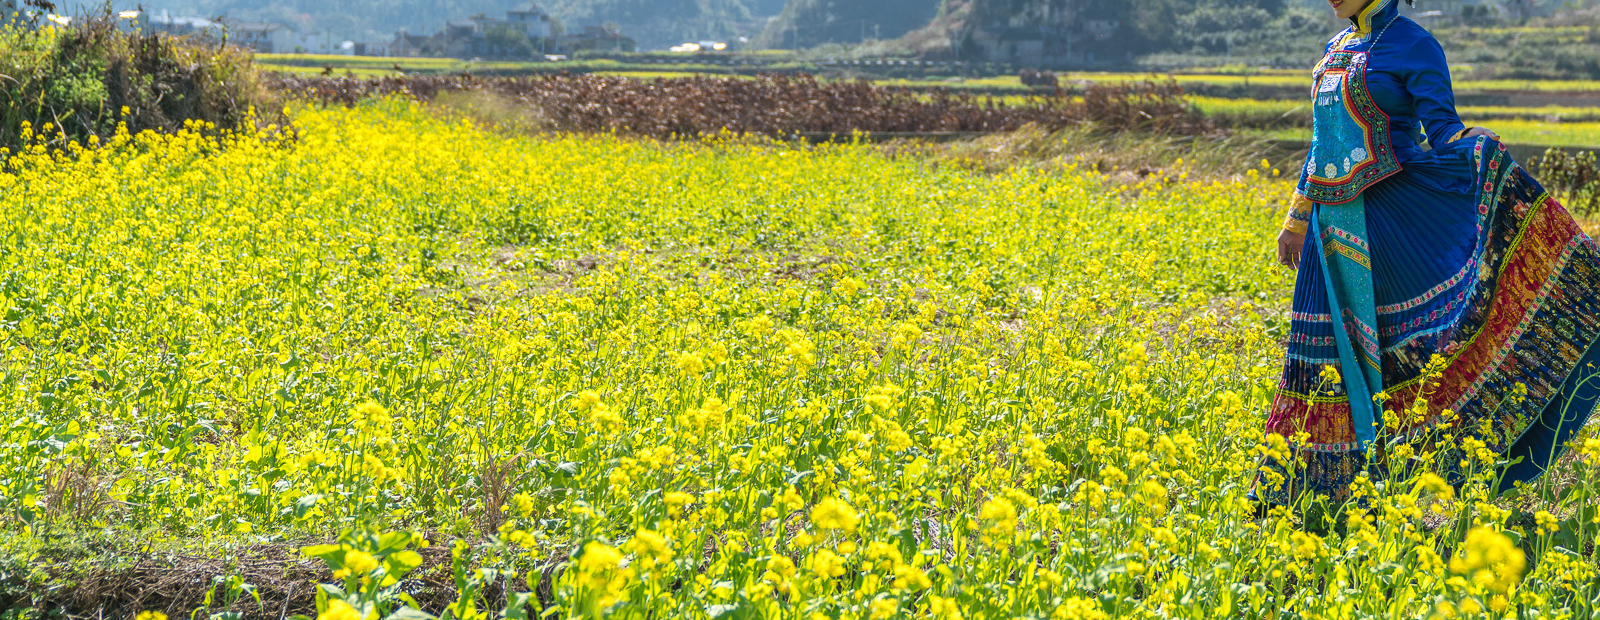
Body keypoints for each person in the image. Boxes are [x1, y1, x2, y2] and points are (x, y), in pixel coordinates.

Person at [1256, 0, 1600, 504]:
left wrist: (1475, 145)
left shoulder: (1414, 43)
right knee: (1322, 354)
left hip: (1393, 225)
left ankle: (1410, 480)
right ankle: (1310, 495)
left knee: (1402, 355)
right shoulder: (1334, 49)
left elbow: (1441, 129)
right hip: (1331, 229)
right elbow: (1321, 143)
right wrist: (1297, 218)